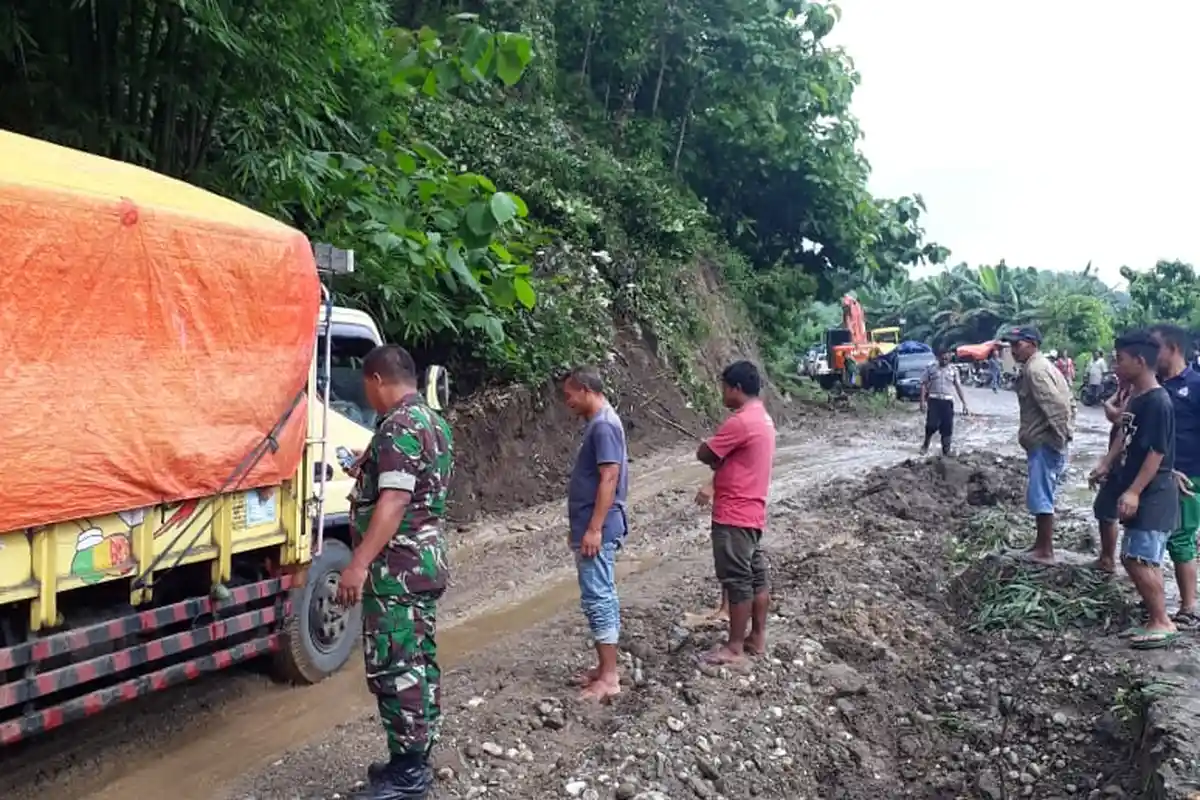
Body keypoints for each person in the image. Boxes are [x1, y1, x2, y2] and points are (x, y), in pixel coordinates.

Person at [340, 344, 454, 800]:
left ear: (376, 380)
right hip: (422, 563)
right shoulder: (432, 422)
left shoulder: (400, 426)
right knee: (419, 660)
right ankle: (413, 759)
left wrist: (358, 563)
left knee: (396, 664)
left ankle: (408, 776)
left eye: (367, 389)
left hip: (397, 571)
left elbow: (394, 501)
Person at [1088, 330, 1179, 649]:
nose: (1115, 364)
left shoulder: (1158, 401)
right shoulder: (1137, 397)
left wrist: (1135, 491)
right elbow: (1123, 434)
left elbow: (1157, 451)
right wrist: (1106, 463)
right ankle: (1155, 618)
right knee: (1134, 556)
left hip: (1154, 493)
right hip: (1141, 487)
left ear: (1140, 361)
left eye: (1121, 359)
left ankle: (1162, 622)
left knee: (1138, 558)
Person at [696, 361, 777, 665]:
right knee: (756, 577)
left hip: (733, 514)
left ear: (736, 388)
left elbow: (706, 453)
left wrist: (708, 450)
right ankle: (756, 638)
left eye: (724, 387)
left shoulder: (739, 422)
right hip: (752, 512)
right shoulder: (763, 419)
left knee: (737, 580)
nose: (722, 393)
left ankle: (734, 648)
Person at [562, 366, 629, 701]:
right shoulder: (602, 422)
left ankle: (610, 676)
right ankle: (604, 669)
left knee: (598, 597)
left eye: (569, 394)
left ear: (586, 389)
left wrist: (593, 529)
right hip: (596, 525)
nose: (567, 402)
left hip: (598, 528)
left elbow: (609, 478)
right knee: (602, 594)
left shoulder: (602, 426)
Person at [1002, 326, 1073, 564]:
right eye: (1011, 345)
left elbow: (1057, 407)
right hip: (1045, 440)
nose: (1013, 350)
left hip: (1045, 441)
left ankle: (1045, 549)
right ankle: (1041, 545)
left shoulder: (1035, 370)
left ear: (1032, 343)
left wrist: (1060, 438)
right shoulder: (1042, 366)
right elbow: (1069, 402)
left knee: (1041, 495)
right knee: (1042, 493)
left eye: (1017, 345)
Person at [1149, 324, 1200, 626]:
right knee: (1151, 534)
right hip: (1157, 474)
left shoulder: (1195, 385)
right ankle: (1155, 602)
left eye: (1155, 348)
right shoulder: (1154, 386)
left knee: (1181, 537)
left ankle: (1189, 606)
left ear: (1173, 349)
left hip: (1189, 475)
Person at [1091, 378, 1131, 573]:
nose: (1116, 368)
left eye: (1120, 360)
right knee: (1105, 508)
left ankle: (1111, 560)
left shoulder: (1140, 392)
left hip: (1126, 461)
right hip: (1118, 458)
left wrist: (1108, 403)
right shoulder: (1126, 387)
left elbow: (1118, 418)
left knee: (1109, 508)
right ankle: (1108, 558)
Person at [919, 350, 971, 456]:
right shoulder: (931, 368)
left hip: (947, 402)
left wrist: (964, 404)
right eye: (942, 358)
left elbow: (958, 387)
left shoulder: (953, 370)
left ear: (949, 358)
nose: (944, 360)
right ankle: (925, 444)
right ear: (938, 357)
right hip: (934, 401)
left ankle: (946, 451)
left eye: (946, 358)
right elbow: (924, 384)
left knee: (947, 427)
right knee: (931, 425)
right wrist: (922, 401)